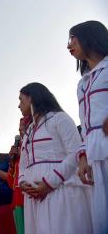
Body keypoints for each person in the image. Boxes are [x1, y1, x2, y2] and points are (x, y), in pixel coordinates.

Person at [18, 82, 92, 234]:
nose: (19, 105)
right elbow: (23, 164)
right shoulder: (29, 131)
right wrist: (23, 182)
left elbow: (75, 153)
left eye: (21, 100)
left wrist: (49, 183)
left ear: (31, 98)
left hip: (60, 191)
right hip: (33, 198)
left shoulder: (60, 119)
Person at [68, 20, 108, 234]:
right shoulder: (82, 84)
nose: (69, 45)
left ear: (90, 37)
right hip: (94, 152)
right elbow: (84, 124)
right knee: (101, 217)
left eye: (73, 38)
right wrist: (83, 157)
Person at [6, 117, 31, 234]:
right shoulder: (15, 150)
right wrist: (11, 163)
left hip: (34, 192)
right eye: (20, 126)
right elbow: (11, 182)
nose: (21, 129)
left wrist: (25, 153)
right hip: (18, 198)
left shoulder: (37, 143)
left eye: (24, 125)